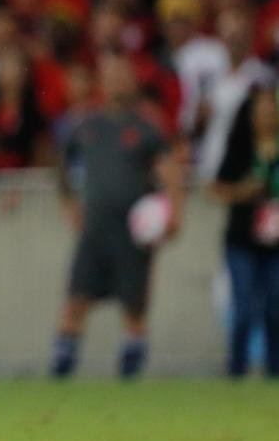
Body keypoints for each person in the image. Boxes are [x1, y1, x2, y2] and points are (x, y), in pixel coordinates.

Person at [51, 51, 185, 379]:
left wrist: (175, 214)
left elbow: (169, 172)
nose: (117, 81)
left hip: (133, 231)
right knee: (76, 299)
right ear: (102, 81)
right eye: (111, 76)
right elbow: (62, 168)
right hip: (95, 229)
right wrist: (70, 207)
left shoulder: (147, 126)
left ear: (134, 81)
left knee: (134, 304)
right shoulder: (86, 125)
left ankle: (131, 371)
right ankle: (61, 368)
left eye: (123, 75)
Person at [211, 87, 279, 377]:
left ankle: (274, 371)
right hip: (242, 238)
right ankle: (236, 369)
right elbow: (215, 187)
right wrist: (242, 191)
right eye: (260, 110)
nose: (266, 115)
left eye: (270, 109)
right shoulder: (239, 147)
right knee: (243, 307)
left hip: (276, 242)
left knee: (275, 307)